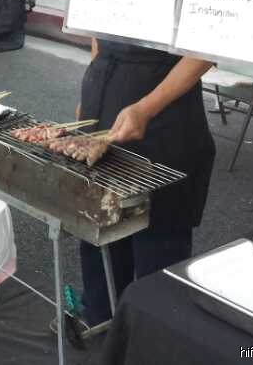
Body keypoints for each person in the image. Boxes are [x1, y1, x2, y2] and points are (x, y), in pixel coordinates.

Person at [76, 39, 216, 327]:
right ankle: (100, 324)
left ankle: (152, 336)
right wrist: (92, 84)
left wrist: (146, 108)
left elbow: (207, 47)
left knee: (159, 239)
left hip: (165, 113)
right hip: (103, 95)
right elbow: (96, 28)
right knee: (100, 224)